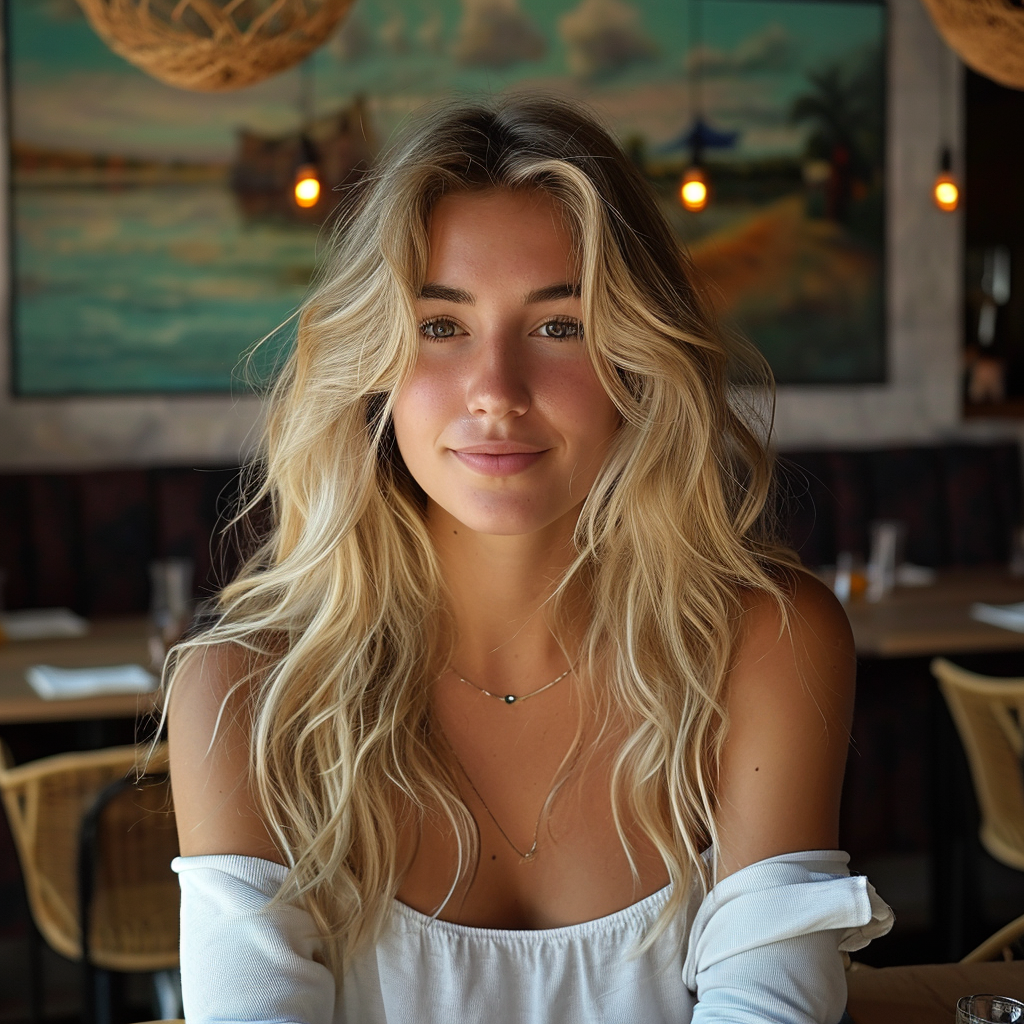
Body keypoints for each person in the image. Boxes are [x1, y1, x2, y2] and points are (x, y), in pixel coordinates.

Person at [165, 93, 893, 1023]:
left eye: (560, 326)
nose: (496, 392)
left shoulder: (763, 643)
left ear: (637, 357)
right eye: (441, 325)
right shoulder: (245, 692)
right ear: (373, 361)